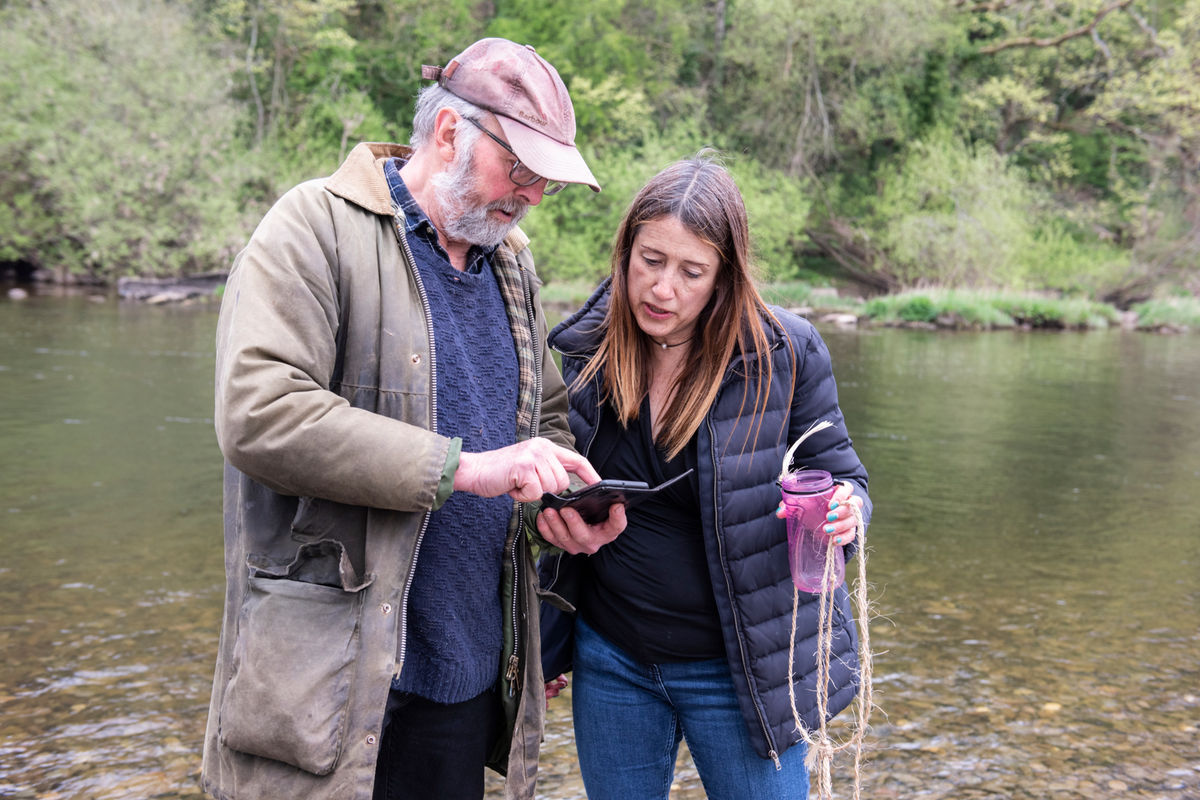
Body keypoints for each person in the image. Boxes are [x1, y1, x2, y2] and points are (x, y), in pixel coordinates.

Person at [200, 38, 626, 800]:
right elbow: (258, 413)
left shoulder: (511, 265)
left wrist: (558, 503)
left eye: (545, 183)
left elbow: (546, 417)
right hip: (329, 681)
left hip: (463, 680)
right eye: (520, 170)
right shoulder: (312, 227)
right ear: (451, 131)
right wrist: (462, 467)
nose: (530, 196)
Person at [538, 153, 872, 799]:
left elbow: (843, 478)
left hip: (744, 672)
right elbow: (551, 494)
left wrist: (847, 508)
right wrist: (551, 614)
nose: (663, 289)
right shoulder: (587, 350)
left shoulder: (785, 353)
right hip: (612, 657)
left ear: (724, 277)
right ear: (626, 251)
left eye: (691, 272)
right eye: (651, 261)